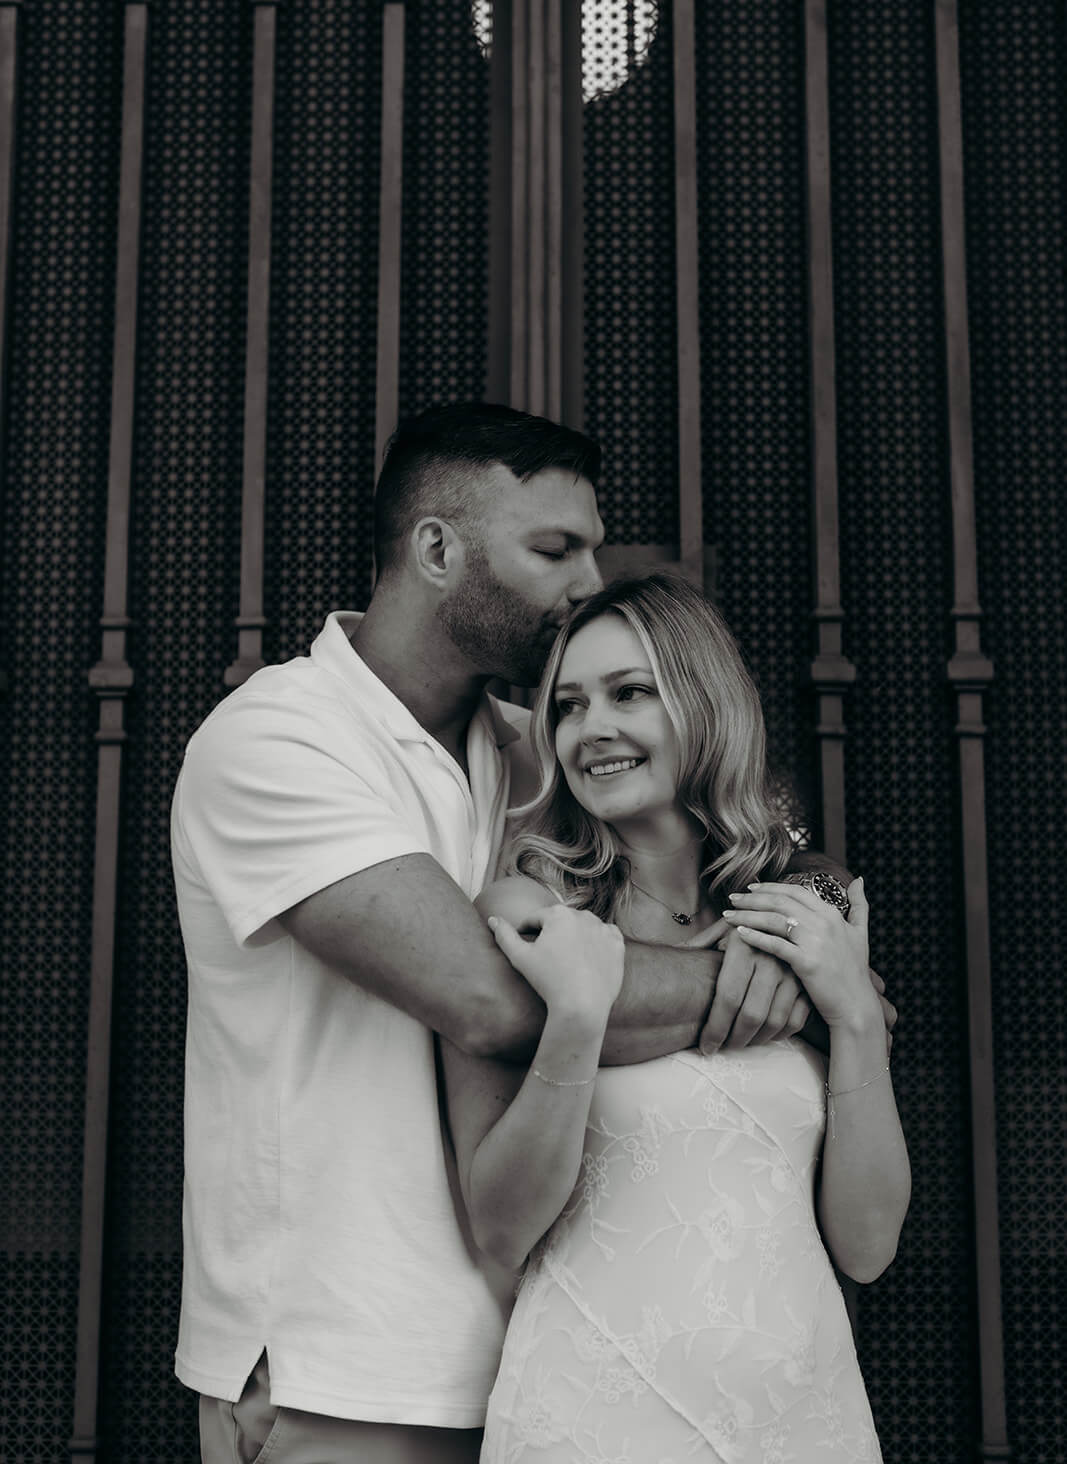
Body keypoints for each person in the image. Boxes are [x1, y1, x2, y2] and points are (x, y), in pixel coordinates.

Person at [172, 404, 846, 1464]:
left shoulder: (534, 743)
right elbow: (490, 999)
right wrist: (772, 977)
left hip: (555, 1364)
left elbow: (748, 829)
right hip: (350, 1366)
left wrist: (816, 919)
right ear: (437, 550)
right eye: (553, 549)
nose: (585, 582)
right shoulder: (277, 738)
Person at [440, 571, 911, 1462]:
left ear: (703, 703)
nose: (593, 729)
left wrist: (852, 1016)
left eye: (630, 693)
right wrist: (576, 1021)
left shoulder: (806, 909)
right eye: (569, 706)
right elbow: (501, 1230)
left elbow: (867, 1246)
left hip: (800, 1415)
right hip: (593, 1414)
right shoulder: (527, 911)